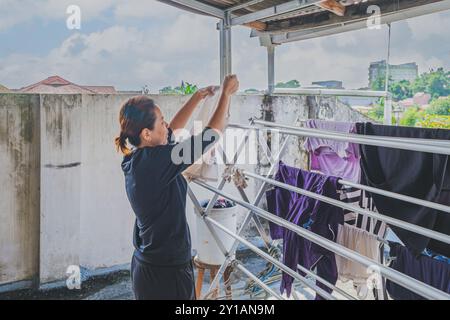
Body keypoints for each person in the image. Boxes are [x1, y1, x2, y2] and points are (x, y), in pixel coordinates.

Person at [115, 75, 239, 300]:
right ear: (146, 134)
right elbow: (210, 136)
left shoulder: (137, 158)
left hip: (147, 266)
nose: (166, 124)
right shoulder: (160, 161)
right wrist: (226, 94)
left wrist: (197, 98)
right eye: (161, 121)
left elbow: (171, 131)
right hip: (167, 274)